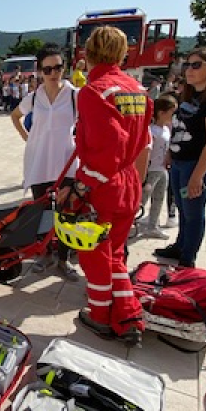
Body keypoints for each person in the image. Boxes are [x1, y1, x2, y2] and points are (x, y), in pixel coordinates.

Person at [73, 26, 152, 346]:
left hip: (104, 186)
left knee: (93, 253)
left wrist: (83, 186)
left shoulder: (93, 92)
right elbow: (141, 143)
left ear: (88, 52)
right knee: (115, 252)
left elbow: (109, 148)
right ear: (123, 54)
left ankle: (101, 314)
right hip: (129, 180)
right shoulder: (138, 89)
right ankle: (128, 313)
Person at [153, 47, 206, 268]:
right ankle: (180, 246)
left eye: (196, 65)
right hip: (180, 160)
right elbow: (179, 127)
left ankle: (187, 259)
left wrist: (198, 176)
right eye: (187, 65)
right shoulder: (189, 92)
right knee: (181, 206)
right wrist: (170, 152)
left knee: (193, 211)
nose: (189, 70)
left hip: (197, 163)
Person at [10, 43, 79, 279]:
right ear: (40, 71)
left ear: (64, 68)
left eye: (57, 68)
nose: (53, 74)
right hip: (38, 162)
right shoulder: (33, 97)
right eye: (47, 69)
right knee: (41, 212)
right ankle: (44, 254)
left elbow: (86, 127)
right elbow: (15, 116)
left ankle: (64, 258)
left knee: (65, 214)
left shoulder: (74, 96)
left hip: (65, 163)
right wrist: (27, 138)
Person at [140, 95, 178, 239]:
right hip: (151, 172)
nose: (173, 117)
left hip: (162, 170)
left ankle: (152, 225)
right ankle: (132, 222)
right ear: (161, 113)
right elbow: (146, 153)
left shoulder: (166, 130)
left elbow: (166, 148)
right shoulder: (151, 131)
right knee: (142, 199)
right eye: (171, 113)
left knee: (159, 198)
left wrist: (168, 159)